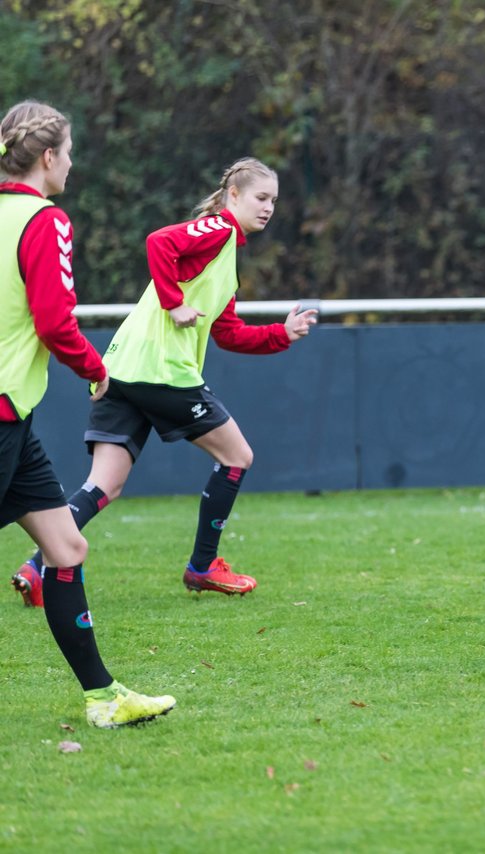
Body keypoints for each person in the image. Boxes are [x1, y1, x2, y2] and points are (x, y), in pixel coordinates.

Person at [12, 157, 318, 603]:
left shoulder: (225, 255)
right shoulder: (220, 230)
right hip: (162, 372)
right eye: (261, 197)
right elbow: (158, 241)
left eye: (274, 200)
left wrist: (280, 334)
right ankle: (203, 566)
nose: (269, 207)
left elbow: (228, 332)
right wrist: (174, 304)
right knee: (237, 456)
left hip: (121, 371)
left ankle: (38, 566)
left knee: (104, 485)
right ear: (233, 195)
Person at [0, 100, 175, 726]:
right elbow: (53, 321)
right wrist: (97, 371)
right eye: (68, 153)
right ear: (48, 158)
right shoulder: (44, 220)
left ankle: (103, 699)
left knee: (66, 547)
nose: (72, 164)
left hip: (12, 422)